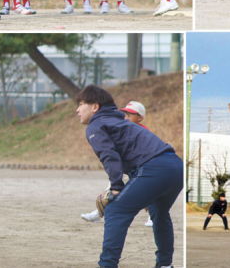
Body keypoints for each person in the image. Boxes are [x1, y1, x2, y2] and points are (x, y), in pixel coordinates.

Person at [77, 85, 182, 268]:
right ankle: (165, 265)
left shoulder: (96, 124)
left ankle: (107, 265)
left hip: (154, 169)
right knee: (159, 212)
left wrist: (116, 187)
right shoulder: (120, 122)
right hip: (175, 166)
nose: (77, 109)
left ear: (95, 107)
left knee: (115, 211)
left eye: (81, 104)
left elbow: (109, 156)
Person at [80, 100, 152, 226]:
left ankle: (152, 216)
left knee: (148, 190)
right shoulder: (122, 129)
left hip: (143, 166)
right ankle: (99, 213)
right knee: (114, 184)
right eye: (124, 114)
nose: (125, 117)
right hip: (129, 168)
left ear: (140, 118)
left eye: (130, 115)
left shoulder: (142, 132)